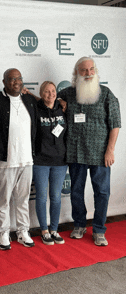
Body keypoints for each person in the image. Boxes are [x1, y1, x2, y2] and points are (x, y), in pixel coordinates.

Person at [57, 57, 121, 246]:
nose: (88, 73)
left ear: (96, 71)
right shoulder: (67, 93)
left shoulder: (107, 94)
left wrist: (110, 150)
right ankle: (79, 224)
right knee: (76, 191)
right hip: (75, 152)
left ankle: (99, 229)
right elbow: (48, 101)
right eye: (84, 70)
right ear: (76, 73)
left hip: (100, 154)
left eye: (91, 69)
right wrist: (58, 102)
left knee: (102, 192)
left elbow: (115, 124)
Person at [0, 68, 37, 250]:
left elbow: (45, 106)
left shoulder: (29, 100)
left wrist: (60, 101)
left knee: (23, 199)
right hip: (4, 160)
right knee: (4, 200)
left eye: (19, 78)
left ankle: (23, 231)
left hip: (27, 160)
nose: (16, 82)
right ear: (4, 81)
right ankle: (3, 233)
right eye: (12, 79)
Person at [32, 81, 67, 245]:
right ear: (41, 93)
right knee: (41, 197)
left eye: (53, 91)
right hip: (40, 160)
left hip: (60, 161)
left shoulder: (63, 108)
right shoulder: (36, 109)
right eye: (46, 92)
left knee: (56, 197)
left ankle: (54, 229)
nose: (50, 94)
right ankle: (44, 230)